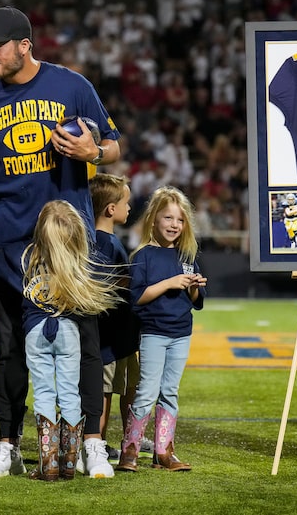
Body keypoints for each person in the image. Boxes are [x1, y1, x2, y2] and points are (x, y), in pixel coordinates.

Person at [0, 5, 122, 479]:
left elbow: (114, 144)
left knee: (87, 346)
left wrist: (93, 152)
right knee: (10, 349)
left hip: (68, 245)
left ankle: (92, 443)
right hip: (9, 245)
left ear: (24, 46)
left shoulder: (71, 85)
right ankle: (8, 445)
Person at [0, 200, 122, 480]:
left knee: (44, 392)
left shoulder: (24, 256)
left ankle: (48, 464)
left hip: (35, 333)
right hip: (68, 333)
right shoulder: (79, 262)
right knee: (69, 392)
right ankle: (69, 462)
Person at [116, 185, 206, 472]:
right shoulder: (143, 255)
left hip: (182, 333)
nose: (174, 225)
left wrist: (193, 287)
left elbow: (197, 302)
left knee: (171, 392)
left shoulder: (186, 254)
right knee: (146, 391)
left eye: (180, 220)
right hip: (154, 333)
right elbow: (136, 298)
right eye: (168, 218)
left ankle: (164, 451)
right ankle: (129, 449)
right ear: (154, 218)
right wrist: (169, 283)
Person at [88, 173, 141, 460]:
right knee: (105, 389)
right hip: (108, 332)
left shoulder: (107, 240)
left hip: (117, 333)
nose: (129, 208)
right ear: (111, 208)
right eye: (126, 203)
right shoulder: (103, 242)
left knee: (116, 385)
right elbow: (101, 286)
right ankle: (97, 440)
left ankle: (107, 439)